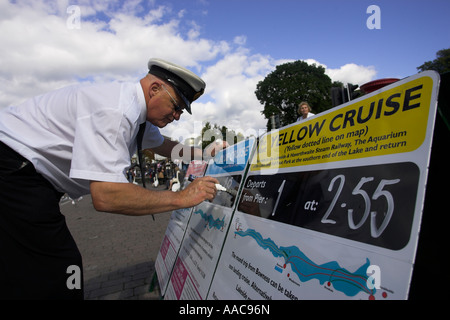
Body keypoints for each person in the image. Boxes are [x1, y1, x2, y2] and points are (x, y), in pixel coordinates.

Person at [0, 58, 223, 299]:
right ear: (154, 89)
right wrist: (181, 198)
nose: (177, 116)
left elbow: (166, 146)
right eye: (176, 106)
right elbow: (107, 196)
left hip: (20, 173)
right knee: (59, 268)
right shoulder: (117, 111)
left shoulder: (135, 114)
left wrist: (205, 153)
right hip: (12, 169)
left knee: (23, 267)